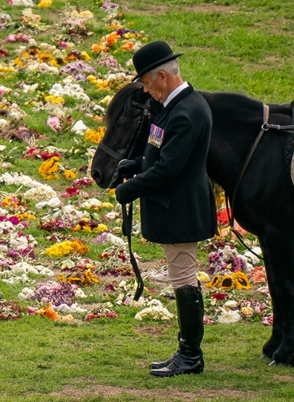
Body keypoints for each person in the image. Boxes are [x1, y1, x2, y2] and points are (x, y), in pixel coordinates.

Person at [114, 41, 218, 378]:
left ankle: (190, 355)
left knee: (184, 278)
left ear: (161, 76)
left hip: (182, 208)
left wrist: (128, 190)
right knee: (180, 276)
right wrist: (133, 164)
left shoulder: (186, 112)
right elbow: (160, 152)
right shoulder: (176, 107)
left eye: (145, 83)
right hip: (178, 205)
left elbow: (169, 169)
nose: (145, 90)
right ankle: (187, 352)